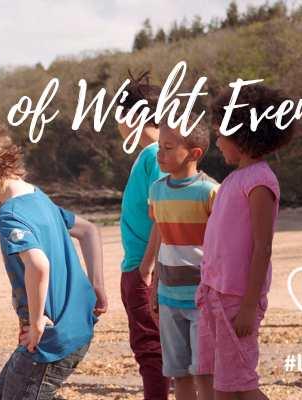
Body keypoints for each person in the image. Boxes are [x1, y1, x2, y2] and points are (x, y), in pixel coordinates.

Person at [0, 119, 108, 400]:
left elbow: (38, 266)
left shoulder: (10, 214)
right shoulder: (38, 197)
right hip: (76, 327)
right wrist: (97, 286)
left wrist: (38, 320)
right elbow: (89, 231)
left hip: (50, 339)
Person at [197, 84, 296, 400]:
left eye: (221, 134)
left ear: (241, 136)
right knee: (215, 380)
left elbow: (262, 247)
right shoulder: (231, 180)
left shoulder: (260, 181)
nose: (217, 141)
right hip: (213, 294)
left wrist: (249, 306)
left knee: (237, 386)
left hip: (237, 298)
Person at [146, 122, 218, 400]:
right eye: (159, 148)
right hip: (168, 297)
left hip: (203, 299)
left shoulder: (211, 192)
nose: (159, 154)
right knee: (179, 373)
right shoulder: (156, 190)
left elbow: (221, 249)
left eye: (167, 148)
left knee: (204, 371)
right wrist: (154, 287)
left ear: (194, 153)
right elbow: (163, 240)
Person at [117, 71, 171, 400]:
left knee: (150, 349)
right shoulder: (153, 154)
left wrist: (147, 266)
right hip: (146, 266)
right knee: (158, 348)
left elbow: (167, 212)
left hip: (145, 268)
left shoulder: (154, 155)